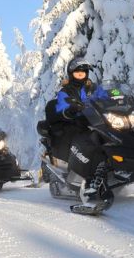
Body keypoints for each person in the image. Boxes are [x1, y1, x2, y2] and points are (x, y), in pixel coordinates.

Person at [45, 57, 110, 202]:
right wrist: (70, 109)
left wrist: (118, 98)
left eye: (83, 73)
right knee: (85, 141)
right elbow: (62, 105)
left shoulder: (93, 88)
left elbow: (105, 97)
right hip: (74, 123)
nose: (81, 75)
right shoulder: (66, 90)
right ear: (71, 74)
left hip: (95, 121)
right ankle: (82, 177)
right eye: (77, 73)